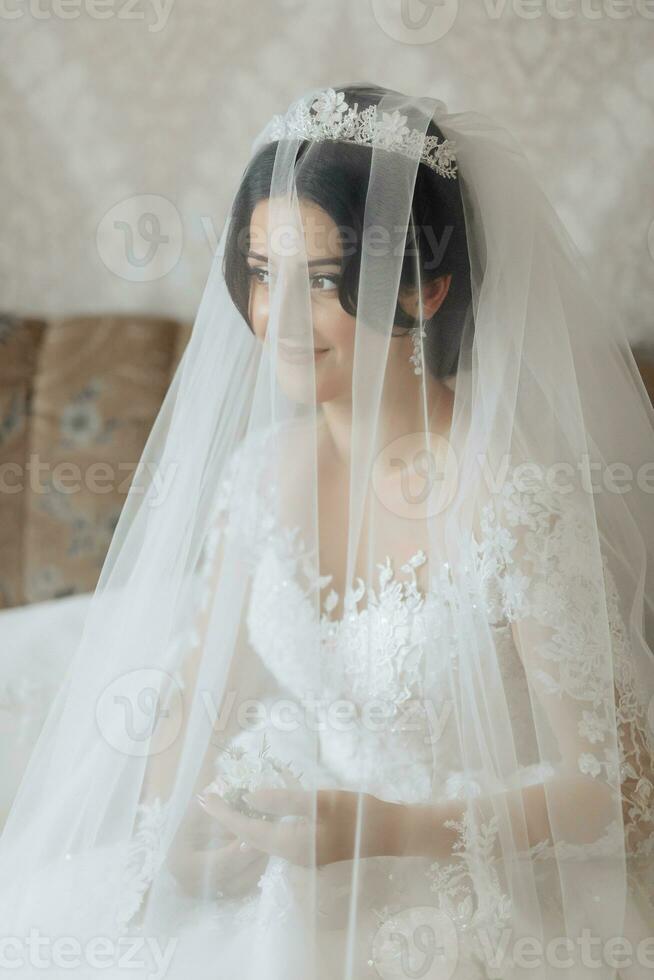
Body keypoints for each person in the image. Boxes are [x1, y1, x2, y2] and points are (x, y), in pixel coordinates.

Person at [0, 82, 652, 980]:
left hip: (472, 892)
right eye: (262, 274)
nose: (276, 320)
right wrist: (187, 840)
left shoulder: (514, 496)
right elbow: (192, 708)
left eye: (323, 283)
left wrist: (389, 831)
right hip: (292, 874)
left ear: (426, 289)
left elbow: (623, 790)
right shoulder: (259, 476)